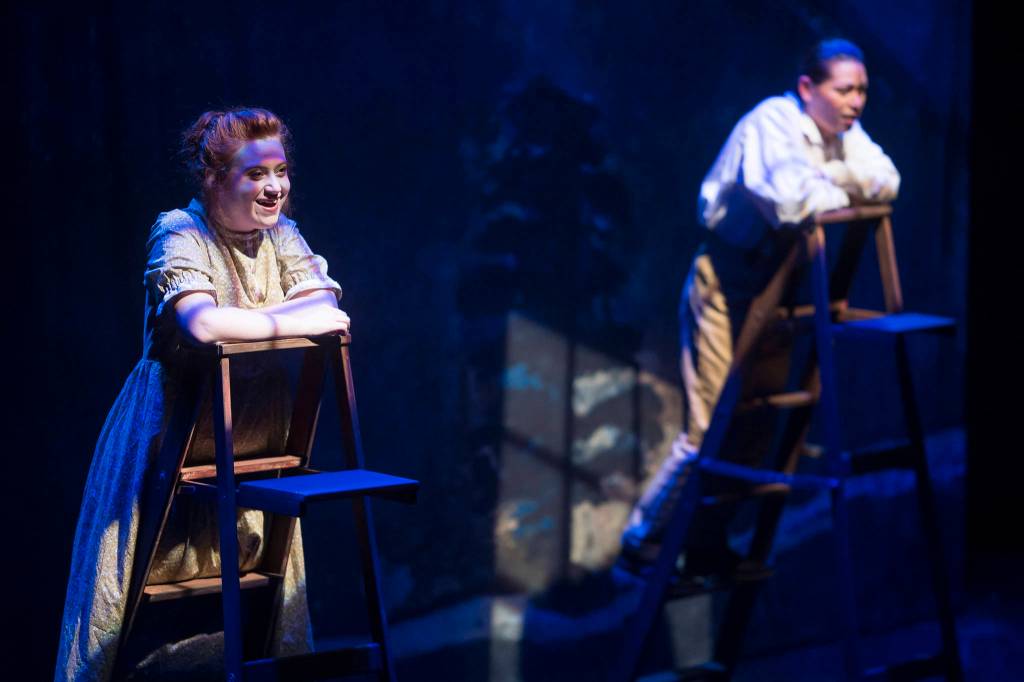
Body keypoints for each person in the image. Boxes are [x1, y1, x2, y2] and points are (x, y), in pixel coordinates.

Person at [55, 108, 351, 680]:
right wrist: (283, 319)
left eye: (281, 171)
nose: (274, 187)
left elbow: (331, 311)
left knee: (252, 596)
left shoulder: (282, 234)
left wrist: (249, 319)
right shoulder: (179, 230)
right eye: (256, 173)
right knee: (135, 603)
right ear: (214, 177)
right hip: (174, 436)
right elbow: (201, 326)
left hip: (253, 441)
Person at [620, 39, 900, 575]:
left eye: (862, 90)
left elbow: (886, 181)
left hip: (776, 290)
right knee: (708, 428)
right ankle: (644, 538)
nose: (856, 101)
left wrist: (833, 178)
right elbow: (794, 201)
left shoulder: (845, 135)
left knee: (756, 426)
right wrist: (839, 183)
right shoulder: (772, 123)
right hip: (725, 287)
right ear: (807, 89)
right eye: (844, 90)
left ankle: (705, 541)